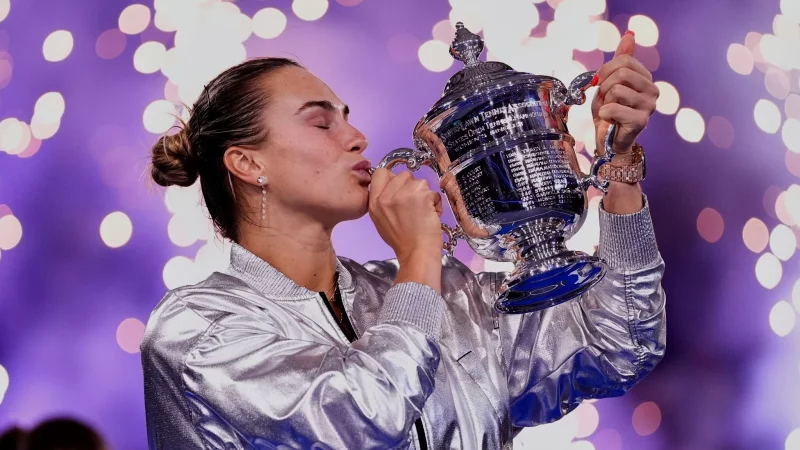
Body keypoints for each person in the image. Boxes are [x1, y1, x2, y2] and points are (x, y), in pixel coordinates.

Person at [141, 31, 665, 449]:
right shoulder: (196, 330)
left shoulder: (444, 290)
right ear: (248, 163)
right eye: (321, 123)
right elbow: (368, 414)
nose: (356, 137)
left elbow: (618, 344)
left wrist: (617, 162)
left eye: (347, 117)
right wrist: (419, 255)